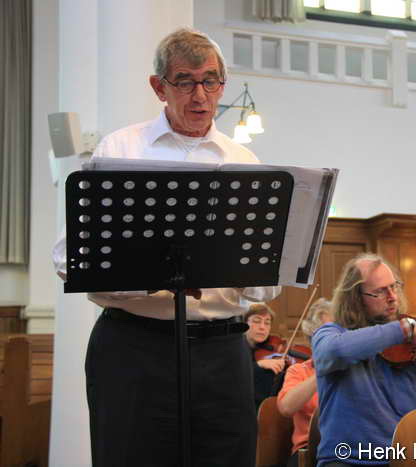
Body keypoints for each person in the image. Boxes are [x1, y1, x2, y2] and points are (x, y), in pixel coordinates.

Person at [52, 28, 280, 467]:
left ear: (223, 86)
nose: (200, 95)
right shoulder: (121, 149)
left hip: (222, 351)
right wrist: (158, 281)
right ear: (159, 87)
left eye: (210, 81)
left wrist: (240, 276)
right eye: (185, 82)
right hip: (136, 348)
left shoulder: (244, 163)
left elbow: (266, 285)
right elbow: (69, 257)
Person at [312, 253, 416, 467]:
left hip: (401, 460)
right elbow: (335, 351)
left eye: (394, 287)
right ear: (355, 298)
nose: (392, 297)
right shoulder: (330, 334)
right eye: (380, 291)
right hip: (346, 461)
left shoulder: (413, 346)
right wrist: (404, 330)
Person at [277, 298, 334, 467]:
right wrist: (322, 371)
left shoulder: (352, 368)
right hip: (309, 450)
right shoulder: (298, 371)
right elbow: (286, 407)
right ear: (312, 337)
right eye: (328, 333)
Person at [245, 303, 287, 409]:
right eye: (256, 321)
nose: (262, 327)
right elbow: (233, 376)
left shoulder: (273, 348)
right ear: (245, 323)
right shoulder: (236, 348)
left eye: (267, 323)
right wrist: (259, 365)